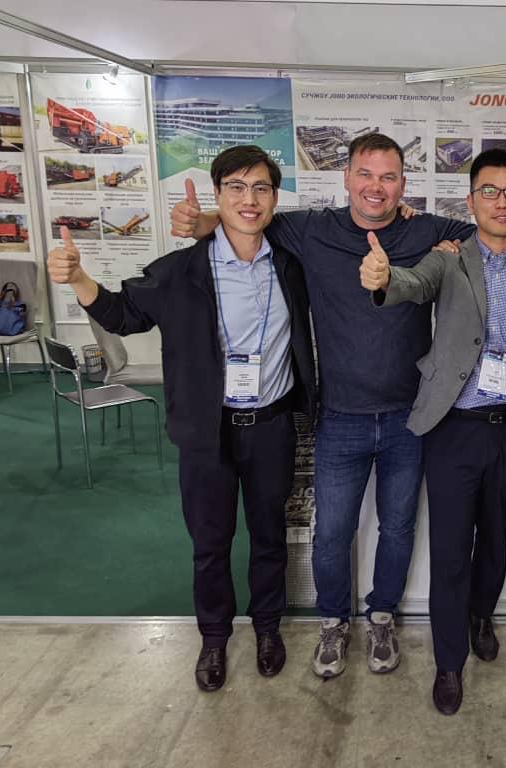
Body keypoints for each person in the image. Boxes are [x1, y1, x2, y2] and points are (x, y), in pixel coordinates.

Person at [171, 134, 506, 679]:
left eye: (388, 177)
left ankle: (382, 616)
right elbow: (248, 220)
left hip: (408, 418)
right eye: (366, 175)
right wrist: (201, 222)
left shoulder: (426, 231)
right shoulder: (312, 228)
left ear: (403, 185)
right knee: (331, 535)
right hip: (339, 417)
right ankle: (332, 622)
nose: (376, 187)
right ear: (346, 178)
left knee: (397, 530)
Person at [47, 145, 316, 692]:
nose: (249, 199)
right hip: (206, 432)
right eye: (236, 187)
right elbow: (122, 314)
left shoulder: (292, 265)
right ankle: (214, 638)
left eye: (260, 188)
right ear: (218, 195)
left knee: (270, 537)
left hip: (271, 426)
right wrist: (77, 277)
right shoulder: (180, 271)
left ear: (274, 198)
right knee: (210, 544)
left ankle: (267, 629)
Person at [360, 148, 506, 715]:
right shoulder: (447, 260)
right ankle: (449, 662)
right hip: (452, 428)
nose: (501, 202)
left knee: (494, 541)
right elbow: (411, 284)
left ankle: (481, 615)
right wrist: (383, 279)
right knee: (449, 550)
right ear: (470, 202)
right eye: (489, 192)